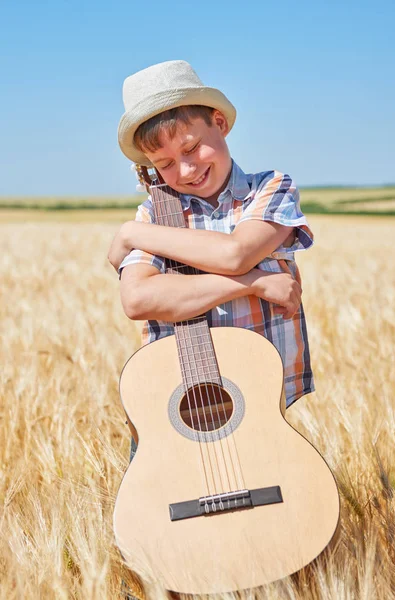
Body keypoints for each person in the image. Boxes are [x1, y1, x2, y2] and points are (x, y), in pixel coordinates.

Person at [109, 59, 315, 599]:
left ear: (219, 123)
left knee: (286, 548)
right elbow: (139, 298)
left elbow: (234, 249)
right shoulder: (155, 214)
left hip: (259, 412)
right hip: (178, 418)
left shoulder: (268, 189)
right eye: (164, 162)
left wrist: (136, 234)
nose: (184, 169)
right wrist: (249, 285)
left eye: (192, 146)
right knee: (172, 565)